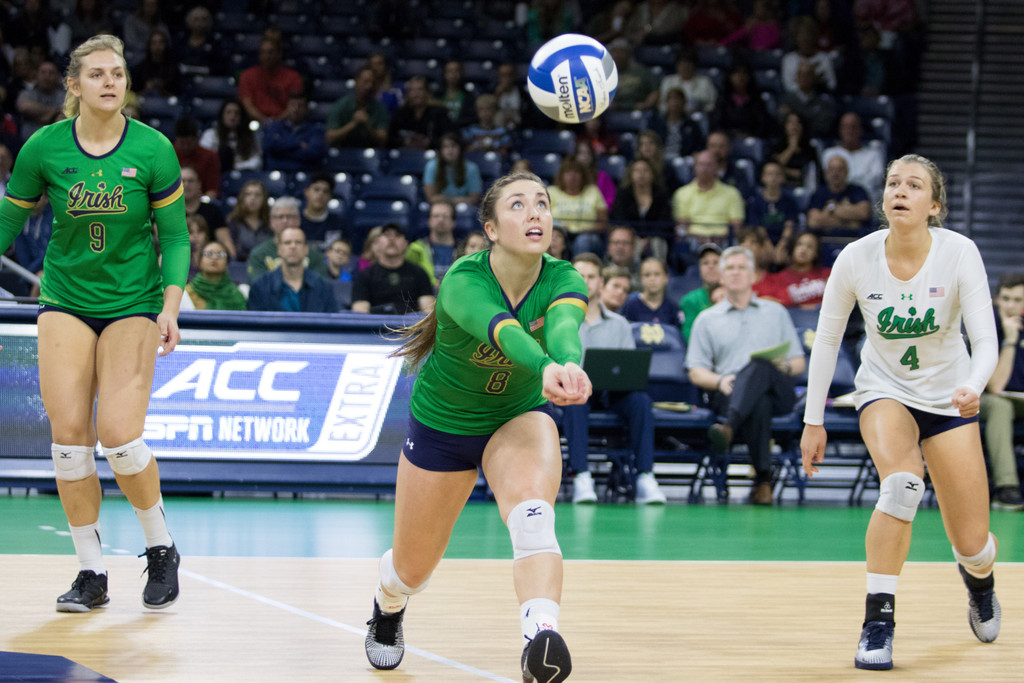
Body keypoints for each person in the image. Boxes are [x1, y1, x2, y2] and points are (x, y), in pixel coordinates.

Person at [363, 170, 589, 683]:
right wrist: (545, 364)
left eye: (542, 203)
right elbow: (504, 330)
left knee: (533, 517)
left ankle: (541, 637)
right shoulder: (464, 280)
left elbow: (564, 328)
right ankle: (387, 602)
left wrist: (568, 365)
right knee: (411, 570)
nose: (535, 213)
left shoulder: (564, 278)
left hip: (516, 416)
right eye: (518, 205)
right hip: (444, 426)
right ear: (490, 228)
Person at [0, 34, 187, 612]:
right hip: (64, 300)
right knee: (69, 447)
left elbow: (176, 237)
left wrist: (171, 306)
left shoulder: (154, 149)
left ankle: (160, 548)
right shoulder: (43, 149)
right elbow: (8, 222)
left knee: (121, 438)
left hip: (133, 301)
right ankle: (91, 573)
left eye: (119, 73)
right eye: (98, 74)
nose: (111, 82)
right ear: (74, 85)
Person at [800, 154, 1002, 670]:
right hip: (884, 390)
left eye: (914, 185)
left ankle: (980, 583)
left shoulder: (960, 252)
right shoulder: (855, 257)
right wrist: (812, 420)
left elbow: (985, 340)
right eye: (893, 182)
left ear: (934, 205)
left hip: (950, 398)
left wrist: (974, 386)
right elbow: (826, 340)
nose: (900, 191)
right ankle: (878, 622)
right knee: (901, 485)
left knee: (973, 543)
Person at [687, 245, 805, 505]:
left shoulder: (776, 312)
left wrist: (781, 366)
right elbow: (696, 371)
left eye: (742, 268)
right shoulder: (706, 319)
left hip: (778, 392)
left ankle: (728, 427)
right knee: (757, 401)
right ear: (720, 274)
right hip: (730, 392)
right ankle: (763, 481)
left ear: (754, 275)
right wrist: (719, 380)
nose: (736, 273)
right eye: (730, 268)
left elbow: (798, 363)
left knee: (760, 366)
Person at [563, 252, 666, 506]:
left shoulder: (620, 324)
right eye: (579, 276)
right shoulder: (560, 321)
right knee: (575, 399)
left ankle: (645, 477)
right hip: (576, 392)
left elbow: (628, 369)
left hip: (612, 393)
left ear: (600, 282)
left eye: (591, 276)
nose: (585, 282)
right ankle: (582, 476)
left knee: (641, 400)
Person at [978, 272, 1024, 510]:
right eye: (1006, 298)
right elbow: (995, 386)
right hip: (984, 400)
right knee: (1000, 406)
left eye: (1017, 300)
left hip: (1020, 398)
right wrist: (1011, 341)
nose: (1010, 305)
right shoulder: (986, 326)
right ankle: (1006, 488)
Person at [247, 225, 337, 313]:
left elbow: (332, 324)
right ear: (279, 249)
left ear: (306, 250)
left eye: (298, 242)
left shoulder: (324, 288)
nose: (293, 247)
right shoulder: (260, 287)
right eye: (287, 243)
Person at [351, 223, 435, 315]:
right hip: (375, 327)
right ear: (377, 243)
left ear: (406, 244)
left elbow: (428, 312)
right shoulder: (365, 276)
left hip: (411, 327)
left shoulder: (419, 273)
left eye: (397, 235)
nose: (392, 239)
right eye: (387, 235)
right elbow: (360, 313)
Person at [672, 149, 745, 247]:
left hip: (724, 240)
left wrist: (717, 239)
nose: (704, 168)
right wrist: (701, 239)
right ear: (694, 167)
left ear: (717, 167)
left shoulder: (732, 193)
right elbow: (682, 226)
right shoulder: (682, 193)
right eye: (701, 164)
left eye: (709, 164)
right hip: (694, 240)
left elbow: (736, 226)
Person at [247, 196, 328, 283]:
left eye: (289, 216)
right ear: (271, 222)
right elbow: (257, 286)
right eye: (279, 217)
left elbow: (320, 287)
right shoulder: (259, 254)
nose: (285, 221)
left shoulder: (314, 255)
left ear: (298, 220)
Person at [610, 158, 674, 257]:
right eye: (637, 170)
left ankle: (659, 270)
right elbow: (620, 219)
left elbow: (664, 221)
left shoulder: (661, 195)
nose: (641, 174)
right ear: (631, 174)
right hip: (630, 237)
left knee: (657, 243)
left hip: (655, 238)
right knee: (630, 243)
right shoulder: (623, 195)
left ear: (652, 174)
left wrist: (649, 239)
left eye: (645, 170)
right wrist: (634, 237)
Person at [548, 156, 609, 256]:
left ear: (583, 176)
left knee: (583, 241)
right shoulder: (551, 191)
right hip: (560, 234)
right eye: (568, 172)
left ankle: (579, 269)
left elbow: (603, 223)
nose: (572, 176)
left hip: (587, 235)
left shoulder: (593, 191)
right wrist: (558, 228)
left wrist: (589, 230)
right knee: (554, 240)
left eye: (576, 172)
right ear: (561, 176)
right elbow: (543, 218)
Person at [822, 112, 886, 202]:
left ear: (861, 130)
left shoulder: (874, 154)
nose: (849, 131)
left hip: (867, 202)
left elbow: (874, 183)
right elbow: (831, 181)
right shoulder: (829, 154)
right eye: (845, 127)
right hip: (836, 201)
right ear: (840, 130)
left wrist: (845, 181)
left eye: (854, 127)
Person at [757, 230, 831, 309]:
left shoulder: (828, 274)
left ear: (816, 253)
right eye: (799, 244)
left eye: (810, 246)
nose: (804, 249)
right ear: (793, 248)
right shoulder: (778, 278)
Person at [237, 37, 303, 124]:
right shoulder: (247, 75)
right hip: (255, 123)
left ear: (279, 54)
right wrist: (264, 121)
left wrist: (276, 123)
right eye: (263, 52)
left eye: (270, 52)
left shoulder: (293, 77)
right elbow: (247, 104)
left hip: (285, 124)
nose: (266, 56)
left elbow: (295, 105)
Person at [746, 160, 800, 263]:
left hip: (785, 241)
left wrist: (781, 247)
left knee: (784, 256)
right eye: (769, 174)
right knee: (761, 254)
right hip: (763, 241)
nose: (773, 178)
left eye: (777, 174)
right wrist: (768, 246)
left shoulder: (790, 202)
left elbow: (789, 226)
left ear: (782, 178)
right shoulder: (755, 203)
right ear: (763, 178)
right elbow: (758, 228)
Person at [261, 91, 327, 174]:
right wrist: (298, 144)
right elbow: (268, 145)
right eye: (292, 105)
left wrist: (281, 149)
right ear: (287, 108)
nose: (296, 109)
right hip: (275, 174)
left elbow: (314, 153)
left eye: (300, 106)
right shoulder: (274, 127)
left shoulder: (316, 130)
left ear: (306, 109)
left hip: (305, 175)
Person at [325, 65, 389, 149]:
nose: (369, 86)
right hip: (343, 151)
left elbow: (383, 139)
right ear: (357, 81)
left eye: (372, 82)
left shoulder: (380, 108)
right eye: (366, 82)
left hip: (371, 152)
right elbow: (330, 137)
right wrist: (353, 123)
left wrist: (367, 125)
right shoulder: (342, 105)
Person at [807, 154, 873, 236]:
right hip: (826, 239)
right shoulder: (819, 193)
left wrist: (832, 209)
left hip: (855, 238)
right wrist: (850, 223)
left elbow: (864, 213)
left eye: (840, 169)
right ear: (826, 173)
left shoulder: (858, 191)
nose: (835, 173)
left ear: (847, 172)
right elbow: (813, 221)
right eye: (832, 170)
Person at [387, 75, 451, 151]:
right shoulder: (400, 113)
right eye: (412, 90)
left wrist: (430, 142)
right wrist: (404, 141)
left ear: (427, 92)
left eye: (420, 89)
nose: (416, 94)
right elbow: (389, 139)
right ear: (408, 93)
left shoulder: (439, 113)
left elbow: (449, 137)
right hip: (405, 155)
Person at [180, 165, 232, 259]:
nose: (186, 184)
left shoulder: (213, 210)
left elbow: (227, 245)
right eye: (182, 181)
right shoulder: (167, 212)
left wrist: (230, 261)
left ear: (199, 184)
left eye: (191, 181)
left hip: (210, 260)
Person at [405, 198, 457, 288]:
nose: (440, 220)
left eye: (445, 216)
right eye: (436, 216)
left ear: (453, 222)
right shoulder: (415, 249)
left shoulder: (464, 249)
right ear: (429, 221)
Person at [199, 99, 263, 172]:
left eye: (236, 113)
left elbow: (257, 161)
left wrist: (235, 166)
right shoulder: (210, 135)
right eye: (228, 112)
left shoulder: (250, 136)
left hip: (242, 174)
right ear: (222, 115)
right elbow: (204, 158)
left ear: (241, 117)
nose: (232, 117)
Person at [423, 133, 482, 207]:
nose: (450, 150)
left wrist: (446, 199)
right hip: (440, 207)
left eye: (453, 146)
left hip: (463, 208)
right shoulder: (431, 166)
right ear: (440, 150)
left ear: (460, 148)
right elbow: (431, 198)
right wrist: (460, 199)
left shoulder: (472, 168)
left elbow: (473, 199)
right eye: (445, 147)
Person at [184, 241, 247, 311]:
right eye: (209, 254)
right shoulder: (186, 293)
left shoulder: (236, 294)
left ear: (227, 263)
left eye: (220, 254)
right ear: (199, 261)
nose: (214, 258)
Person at [679, 242, 721, 341]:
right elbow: (688, 334)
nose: (711, 266)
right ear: (699, 268)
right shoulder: (689, 300)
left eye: (716, 262)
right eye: (705, 263)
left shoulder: (733, 296)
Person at [620, 257, 679, 328]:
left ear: (666, 278)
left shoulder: (673, 308)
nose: (652, 279)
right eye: (647, 275)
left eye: (657, 274)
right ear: (641, 279)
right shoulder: (630, 306)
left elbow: (677, 336)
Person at [172, 115, 221, 199]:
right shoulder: (168, 155)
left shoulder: (210, 157)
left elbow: (212, 191)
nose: (186, 147)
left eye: (189, 143)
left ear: (197, 140)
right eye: (182, 143)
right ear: (176, 140)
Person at [658, 48, 717, 116]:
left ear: (694, 66)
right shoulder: (668, 81)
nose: (685, 67)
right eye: (682, 64)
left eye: (688, 64)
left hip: (698, 117)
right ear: (677, 66)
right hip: (673, 117)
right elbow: (662, 105)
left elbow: (711, 105)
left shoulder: (705, 82)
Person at [16, 60, 65, 139]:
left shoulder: (65, 96)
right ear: (36, 75)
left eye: (51, 73)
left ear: (57, 77)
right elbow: (24, 107)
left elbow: (64, 119)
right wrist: (55, 113)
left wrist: (36, 115)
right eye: (43, 72)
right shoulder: (26, 94)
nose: (47, 76)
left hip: (55, 142)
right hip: (29, 142)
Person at [225, 179, 271, 262]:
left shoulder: (270, 222)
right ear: (242, 198)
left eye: (257, 195)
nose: (252, 198)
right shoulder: (233, 221)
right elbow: (234, 251)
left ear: (264, 199)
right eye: (248, 194)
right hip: (241, 267)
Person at [770, 111, 817, 188]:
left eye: (798, 122)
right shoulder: (776, 147)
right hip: (779, 186)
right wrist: (791, 148)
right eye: (790, 122)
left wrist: (784, 170)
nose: (794, 126)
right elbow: (772, 169)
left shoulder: (809, 149)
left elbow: (809, 172)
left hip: (804, 186)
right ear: (785, 126)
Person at [130, 29, 180, 98]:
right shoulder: (140, 68)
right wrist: (146, 89)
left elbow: (178, 94)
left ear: (166, 45)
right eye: (154, 43)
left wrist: (162, 88)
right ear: (149, 46)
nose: (157, 46)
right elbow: (134, 94)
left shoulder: (174, 68)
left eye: (161, 42)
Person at [299, 173, 345, 245]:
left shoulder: (339, 224)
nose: (321, 194)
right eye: (316, 190)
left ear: (330, 196)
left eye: (325, 191)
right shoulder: (296, 222)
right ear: (306, 192)